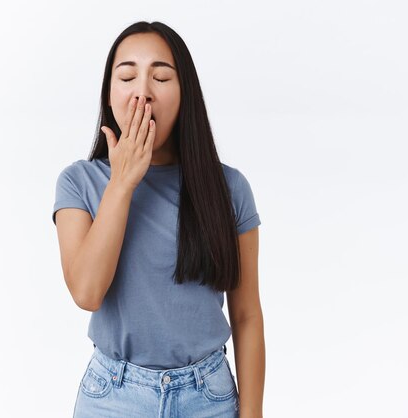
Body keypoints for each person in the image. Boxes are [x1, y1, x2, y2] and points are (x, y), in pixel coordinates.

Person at [52, 21, 265, 418]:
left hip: (209, 396)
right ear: (109, 93)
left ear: (185, 94)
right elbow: (86, 292)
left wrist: (252, 414)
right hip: (112, 398)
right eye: (128, 76)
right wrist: (123, 183)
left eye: (162, 76)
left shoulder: (229, 188)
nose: (143, 91)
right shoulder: (79, 182)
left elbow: (247, 314)